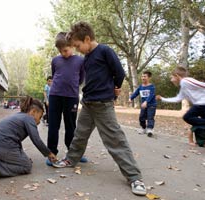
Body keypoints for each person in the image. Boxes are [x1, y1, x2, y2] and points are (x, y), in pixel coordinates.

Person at [52, 21, 147, 196]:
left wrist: (115, 89)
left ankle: (135, 178)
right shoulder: (87, 57)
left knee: (115, 140)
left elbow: (119, 72)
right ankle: (71, 160)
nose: (77, 49)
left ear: (87, 39)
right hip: (88, 104)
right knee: (79, 135)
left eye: (78, 45)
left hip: (103, 105)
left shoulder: (104, 51)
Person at [0, 96, 57, 181]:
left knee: (23, 160)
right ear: (33, 112)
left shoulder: (19, 116)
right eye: (39, 117)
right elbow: (36, 140)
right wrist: (49, 154)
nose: (39, 121)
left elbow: (15, 140)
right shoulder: (29, 119)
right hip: (2, 146)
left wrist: (20, 156)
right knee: (26, 166)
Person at [47, 32, 86, 166]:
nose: (63, 53)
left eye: (65, 50)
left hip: (71, 97)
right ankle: (51, 153)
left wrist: (72, 86)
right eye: (60, 51)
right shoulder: (55, 60)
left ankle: (73, 154)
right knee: (53, 125)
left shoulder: (80, 61)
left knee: (71, 126)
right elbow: (54, 75)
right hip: (55, 96)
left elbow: (81, 78)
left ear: (72, 46)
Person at [156, 66, 205, 147]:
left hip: (202, 104)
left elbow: (202, 84)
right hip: (201, 105)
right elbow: (177, 99)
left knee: (187, 117)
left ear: (177, 76)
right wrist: (162, 98)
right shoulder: (183, 86)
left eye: (172, 77)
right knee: (200, 122)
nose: (171, 80)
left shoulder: (185, 81)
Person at [129, 71, 157, 137]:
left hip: (151, 105)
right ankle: (143, 128)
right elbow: (135, 93)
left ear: (149, 77)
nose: (143, 78)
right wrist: (131, 98)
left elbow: (151, 95)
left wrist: (146, 102)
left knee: (150, 117)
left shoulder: (152, 87)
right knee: (141, 117)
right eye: (142, 76)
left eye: (145, 76)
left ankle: (150, 129)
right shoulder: (140, 87)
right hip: (144, 106)